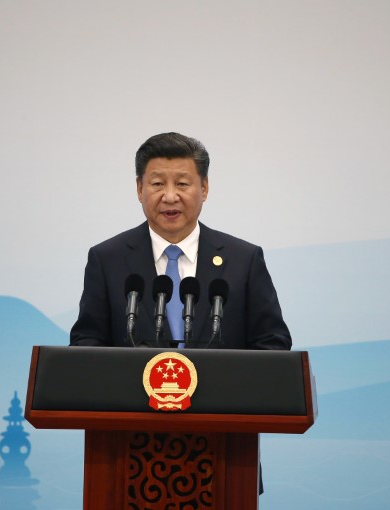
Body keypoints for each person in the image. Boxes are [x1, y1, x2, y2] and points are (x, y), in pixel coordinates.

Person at [70, 132, 291, 351]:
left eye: (182, 184)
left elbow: (273, 343)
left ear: (204, 188)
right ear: (139, 188)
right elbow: (87, 345)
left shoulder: (243, 261)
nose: (169, 196)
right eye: (157, 184)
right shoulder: (107, 260)